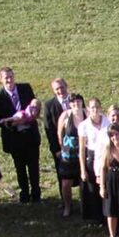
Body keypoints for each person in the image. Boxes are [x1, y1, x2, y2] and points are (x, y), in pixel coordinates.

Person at [0, 67, 41, 203]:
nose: (9, 80)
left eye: (11, 76)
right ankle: (24, 193)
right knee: (20, 167)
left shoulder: (25, 88)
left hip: (30, 135)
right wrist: (13, 122)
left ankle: (36, 193)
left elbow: (34, 106)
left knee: (33, 166)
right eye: (6, 78)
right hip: (14, 138)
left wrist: (32, 113)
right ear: (0, 80)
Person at [76, 98, 111, 224]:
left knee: (105, 185)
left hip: (106, 155)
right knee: (92, 188)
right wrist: (82, 169)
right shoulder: (83, 126)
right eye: (92, 107)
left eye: (97, 107)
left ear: (101, 108)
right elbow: (81, 149)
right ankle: (95, 217)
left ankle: (106, 215)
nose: (95, 110)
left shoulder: (108, 122)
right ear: (88, 109)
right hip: (91, 157)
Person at [43, 79, 74, 214]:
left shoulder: (76, 100)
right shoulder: (49, 105)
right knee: (63, 175)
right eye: (57, 89)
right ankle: (65, 203)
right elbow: (49, 129)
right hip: (62, 146)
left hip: (78, 144)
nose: (60, 91)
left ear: (67, 86)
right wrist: (57, 149)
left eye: (62, 87)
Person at [54, 93, 86, 218]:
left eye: (78, 101)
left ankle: (85, 207)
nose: (75, 104)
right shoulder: (66, 115)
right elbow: (59, 133)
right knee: (66, 183)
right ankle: (67, 206)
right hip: (68, 153)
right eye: (72, 102)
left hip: (84, 151)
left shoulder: (87, 114)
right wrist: (62, 149)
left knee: (84, 181)